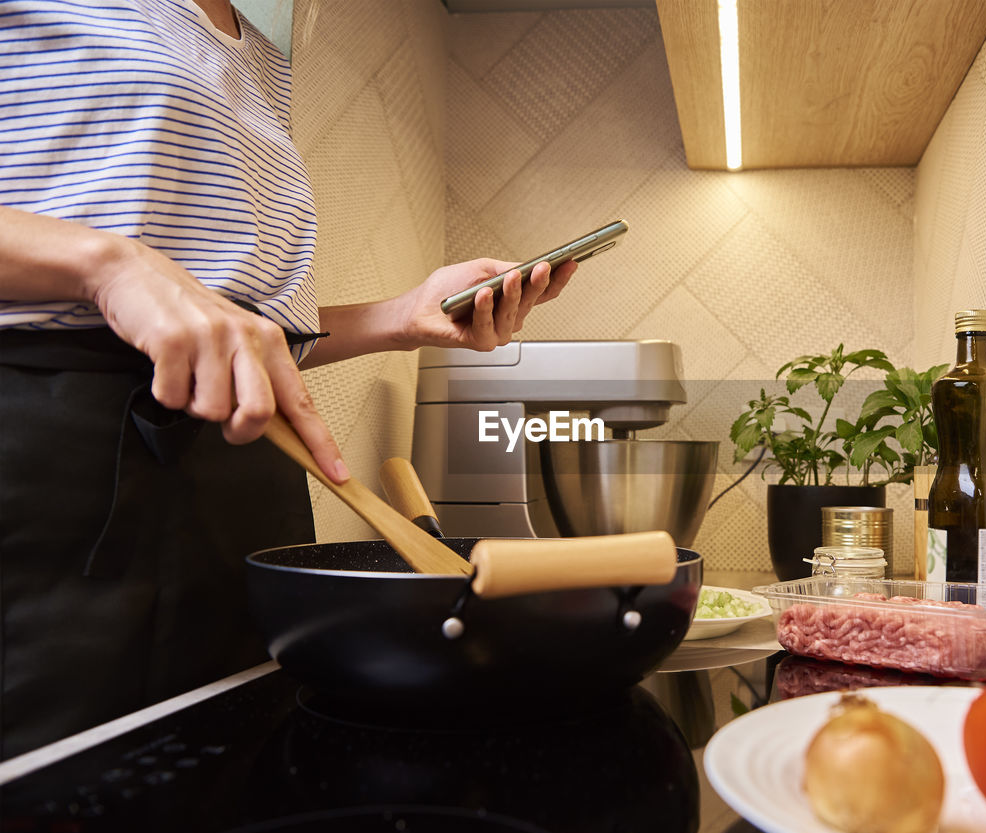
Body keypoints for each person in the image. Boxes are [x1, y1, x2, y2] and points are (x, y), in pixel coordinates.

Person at [0, 0, 577, 758]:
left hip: (244, 479)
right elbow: (142, 288)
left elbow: (244, 327)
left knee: (241, 768)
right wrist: (107, 264)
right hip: (50, 471)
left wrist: (402, 316)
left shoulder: (261, 49)